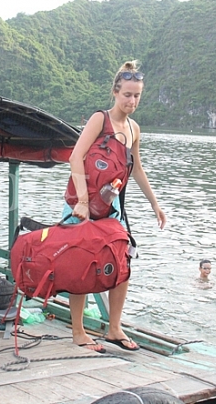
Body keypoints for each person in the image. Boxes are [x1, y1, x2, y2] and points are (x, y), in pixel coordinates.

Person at [65, 60, 167, 353]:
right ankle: (78, 332)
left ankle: (114, 328)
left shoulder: (134, 128)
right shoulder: (100, 120)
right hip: (82, 205)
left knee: (122, 264)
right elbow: (75, 158)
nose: (132, 101)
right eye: (127, 95)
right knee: (81, 266)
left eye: (137, 96)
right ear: (115, 92)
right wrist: (83, 201)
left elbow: (136, 169)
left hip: (112, 209)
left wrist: (155, 205)